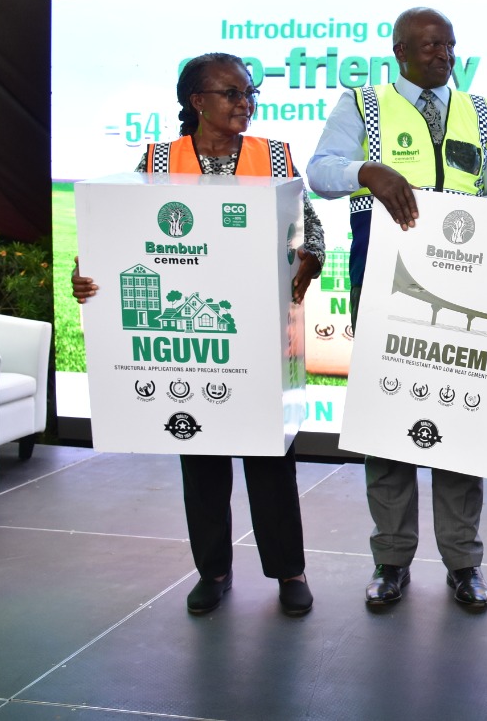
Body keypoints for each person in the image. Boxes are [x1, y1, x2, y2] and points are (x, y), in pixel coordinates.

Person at [72, 52, 325, 617]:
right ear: (197, 101)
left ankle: (289, 571)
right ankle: (213, 571)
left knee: (270, 457)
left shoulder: (275, 155)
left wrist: (309, 258)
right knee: (201, 455)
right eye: (232, 93)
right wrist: (85, 272)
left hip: (258, 330)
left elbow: (308, 229)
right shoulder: (159, 159)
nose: (245, 103)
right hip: (195, 338)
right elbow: (122, 229)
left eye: (249, 93)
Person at [307, 7, 487, 610]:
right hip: (385, 285)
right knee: (387, 420)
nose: (442, 55)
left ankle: (464, 563)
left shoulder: (479, 111)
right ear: (399, 51)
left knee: (459, 422)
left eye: (449, 45)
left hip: (466, 285)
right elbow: (319, 173)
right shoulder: (363, 105)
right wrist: (366, 170)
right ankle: (391, 560)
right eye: (429, 46)